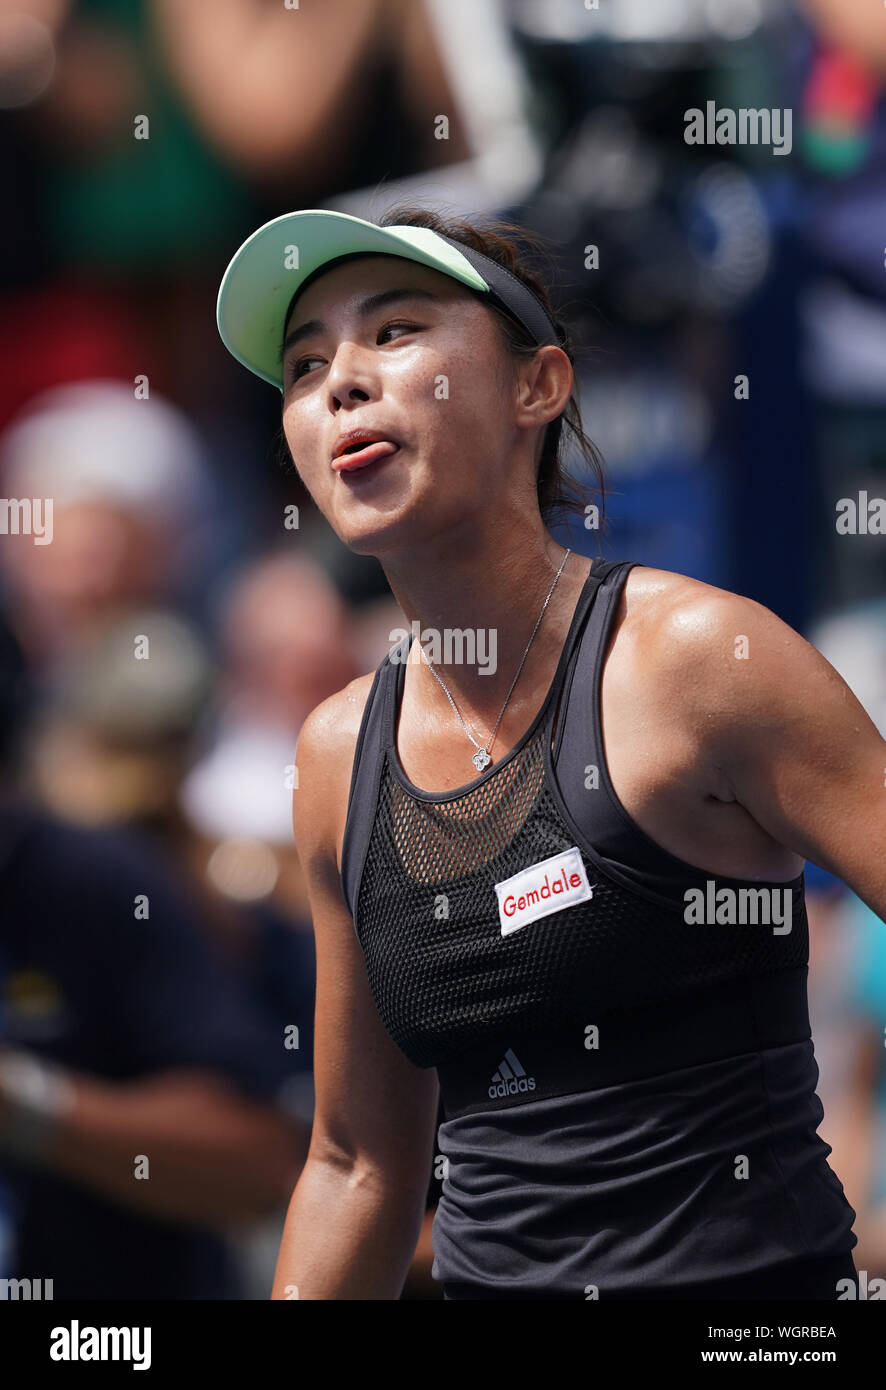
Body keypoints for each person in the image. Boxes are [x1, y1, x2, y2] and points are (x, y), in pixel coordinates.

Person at [215, 205, 886, 1300]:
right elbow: (357, 1167)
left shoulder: (697, 662)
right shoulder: (336, 756)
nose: (339, 379)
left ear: (539, 385)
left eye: (393, 331)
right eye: (303, 364)